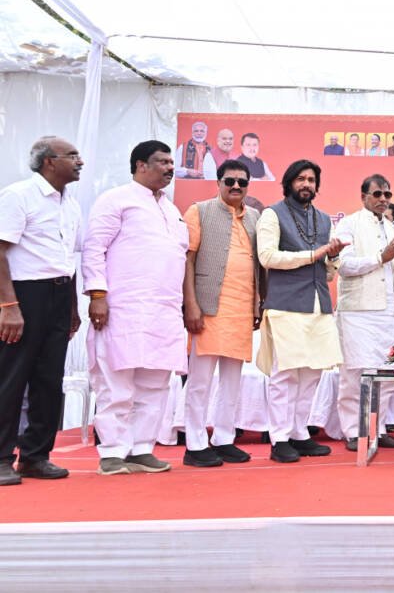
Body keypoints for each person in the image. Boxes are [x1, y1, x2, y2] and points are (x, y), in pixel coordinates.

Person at [84, 140, 188, 475]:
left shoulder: (171, 209)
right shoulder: (116, 199)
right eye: (163, 162)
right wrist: (97, 294)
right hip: (123, 306)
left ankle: (141, 448)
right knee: (116, 380)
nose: (170, 168)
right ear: (141, 165)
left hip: (164, 309)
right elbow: (94, 248)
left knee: (155, 382)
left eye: (171, 162)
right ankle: (113, 451)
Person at [0, 137, 83, 486]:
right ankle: (2, 458)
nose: (80, 161)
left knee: (50, 380)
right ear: (49, 161)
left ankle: (36, 456)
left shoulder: (71, 203)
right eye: (72, 156)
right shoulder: (18, 195)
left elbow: (68, 258)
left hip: (60, 294)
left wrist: (73, 306)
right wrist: (8, 306)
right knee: (11, 378)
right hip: (24, 295)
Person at [255, 160, 343, 463]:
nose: (306, 184)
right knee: (285, 375)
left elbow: (328, 272)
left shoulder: (324, 219)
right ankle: (279, 438)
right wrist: (313, 254)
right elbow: (267, 257)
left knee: (312, 373)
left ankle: (298, 433)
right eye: (300, 179)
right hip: (286, 304)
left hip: (319, 303)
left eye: (311, 180)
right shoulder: (272, 214)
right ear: (289, 182)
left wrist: (333, 258)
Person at [181, 159, 261, 468]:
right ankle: (195, 443)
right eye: (230, 181)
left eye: (242, 182)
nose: (236, 186)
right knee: (200, 381)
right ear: (218, 183)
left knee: (232, 381)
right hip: (208, 308)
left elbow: (258, 267)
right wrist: (190, 304)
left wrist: (257, 304)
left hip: (241, 310)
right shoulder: (199, 211)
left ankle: (224, 438)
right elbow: (187, 260)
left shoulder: (254, 217)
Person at [334, 174, 394, 452]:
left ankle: (377, 429)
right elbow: (344, 266)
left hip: (389, 312)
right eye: (377, 194)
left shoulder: (392, 229)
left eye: (387, 195)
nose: (383, 199)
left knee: (387, 373)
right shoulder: (349, 224)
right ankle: (353, 431)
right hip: (357, 311)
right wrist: (381, 258)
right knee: (354, 373)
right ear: (364, 197)